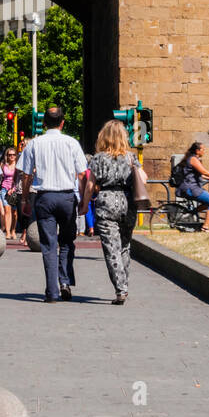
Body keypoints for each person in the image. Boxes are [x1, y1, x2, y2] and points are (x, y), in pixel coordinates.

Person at [20, 106, 87, 302]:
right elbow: (82, 174)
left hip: (44, 197)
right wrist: (83, 200)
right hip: (66, 197)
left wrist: (25, 199)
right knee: (66, 242)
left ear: (43, 123)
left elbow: (26, 175)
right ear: (62, 122)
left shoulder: (34, 144)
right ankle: (64, 281)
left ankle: (51, 292)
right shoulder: (72, 143)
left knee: (48, 245)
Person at [83, 120, 141, 305]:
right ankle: (125, 285)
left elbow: (90, 185)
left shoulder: (98, 158)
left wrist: (84, 205)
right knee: (125, 246)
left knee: (111, 249)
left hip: (107, 202)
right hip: (128, 202)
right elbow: (143, 178)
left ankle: (120, 289)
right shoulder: (131, 157)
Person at [177, 141, 209, 230]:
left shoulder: (193, 159)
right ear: (197, 151)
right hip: (191, 188)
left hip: (191, 188)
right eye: (203, 149)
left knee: (208, 202)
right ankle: (205, 227)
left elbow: (200, 174)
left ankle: (190, 213)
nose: (204, 151)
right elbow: (204, 172)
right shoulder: (193, 159)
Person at [0, 147, 19, 239]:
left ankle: (13, 230)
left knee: (14, 213)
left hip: (14, 190)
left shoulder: (18, 165)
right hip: (4, 189)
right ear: (7, 155)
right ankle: (7, 232)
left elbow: (18, 179)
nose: (11, 156)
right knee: (7, 211)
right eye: (9, 155)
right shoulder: (3, 165)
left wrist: (13, 188)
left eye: (13, 154)